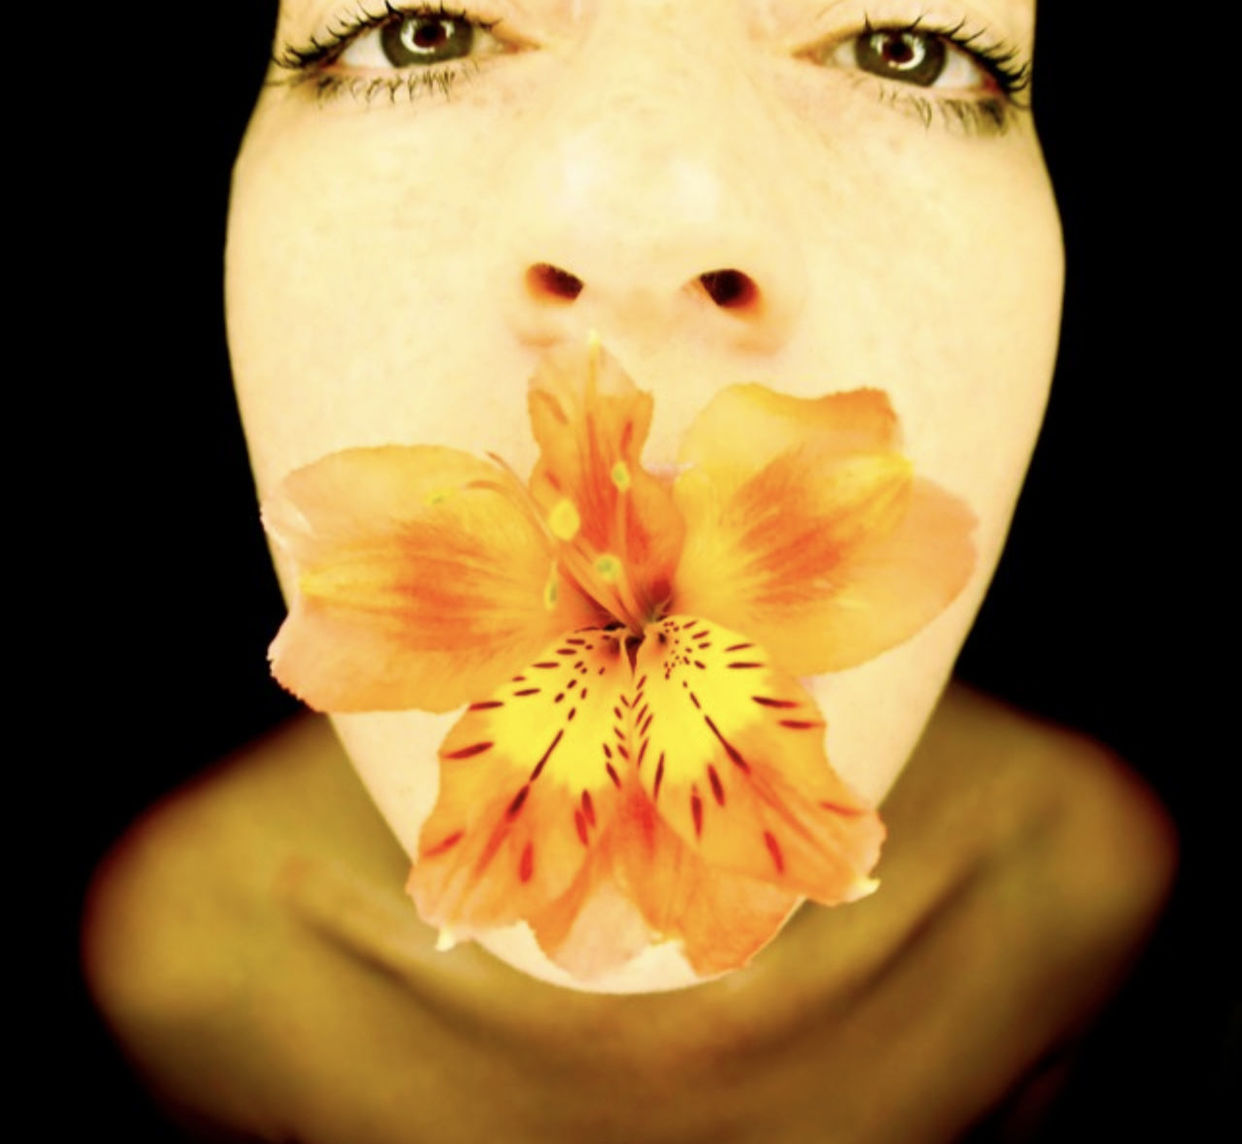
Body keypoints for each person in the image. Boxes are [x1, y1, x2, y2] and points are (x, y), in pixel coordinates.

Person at [81, 1, 1181, 1139]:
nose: (648, 218)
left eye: (901, 46)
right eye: (425, 28)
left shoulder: (1120, 901)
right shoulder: (158, 970)